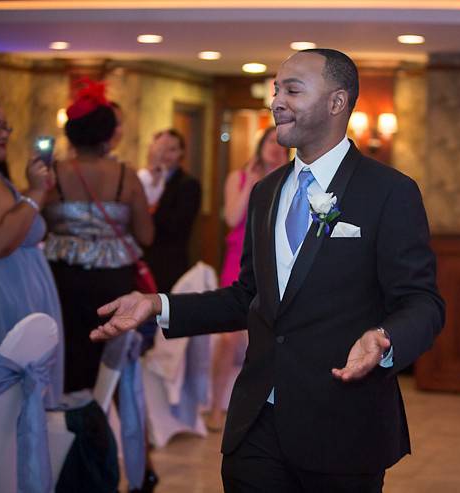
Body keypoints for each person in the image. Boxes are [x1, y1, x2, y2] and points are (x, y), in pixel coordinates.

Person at [91, 48, 445, 492]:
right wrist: (157, 305)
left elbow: (422, 301)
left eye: (292, 90)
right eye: (277, 89)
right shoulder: (265, 192)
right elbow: (247, 296)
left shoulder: (390, 192)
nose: (276, 101)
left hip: (342, 428)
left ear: (337, 103)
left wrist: (385, 338)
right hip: (255, 426)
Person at [43, 79, 154, 395]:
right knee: (108, 355)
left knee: (67, 349)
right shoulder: (126, 176)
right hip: (113, 279)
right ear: (108, 132)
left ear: (71, 132)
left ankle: (64, 424)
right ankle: (103, 423)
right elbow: (146, 235)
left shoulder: (53, 174)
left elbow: (33, 224)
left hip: (62, 275)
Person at [0, 94, 64, 419]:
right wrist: (37, 192)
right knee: (2, 411)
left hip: (5, 300)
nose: (4, 134)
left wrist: (33, 190)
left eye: (6, 127)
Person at [206, 126, 289, 432]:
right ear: (260, 144)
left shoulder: (291, 179)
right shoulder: (238, 176)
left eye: (281, 144)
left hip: (275, 262)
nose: (275, 147)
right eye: (270, 141)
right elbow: (231, 217)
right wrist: (251, 184)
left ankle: (268, 407)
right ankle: (216, 407)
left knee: (271, 335)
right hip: (238, 261)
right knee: (228, 337)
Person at [140, 129, 202, 293]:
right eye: (161, 148)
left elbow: (178, 225)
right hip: (141, 260)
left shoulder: (188, 184)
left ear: (181, 153)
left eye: (172, 149)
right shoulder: (141, 179)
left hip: (169, 263)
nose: (166, 154)